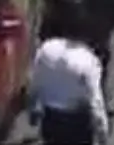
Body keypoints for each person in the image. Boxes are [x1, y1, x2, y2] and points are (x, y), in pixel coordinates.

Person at [29, 8, 108, 145]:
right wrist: (102, 132)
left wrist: (33, 109)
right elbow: (95, 102)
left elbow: (35, 82)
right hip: (77, 123)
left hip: (51, 120)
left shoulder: (47, 49)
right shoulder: (88, 61)